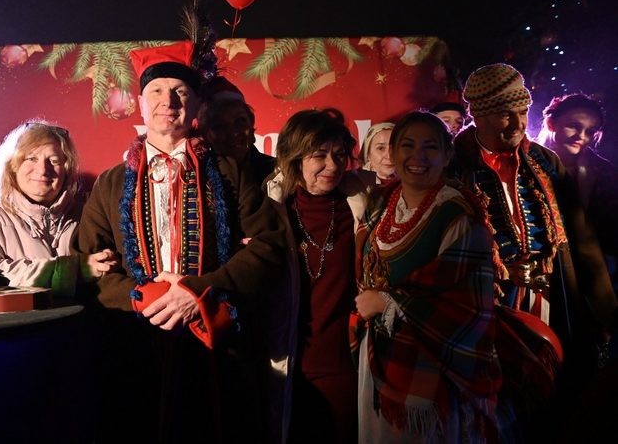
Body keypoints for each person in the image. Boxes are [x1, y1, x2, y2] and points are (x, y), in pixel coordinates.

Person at [71, 41, 286, 443]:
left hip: (216, 344)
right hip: (136, 345)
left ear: (197, 104)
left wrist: (197, 291)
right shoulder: (111, 183)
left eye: (180, 92)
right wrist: (146, 298)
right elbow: (90, 263)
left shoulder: (229, 171)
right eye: (156, 91)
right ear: (140, 104)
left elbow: (269, 246)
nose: (167, 101)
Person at [450, 64, 615, 402]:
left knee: (553, 393)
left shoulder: (544, 161)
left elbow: (582, 240)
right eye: (504, 114)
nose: (518, 124)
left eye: (523, 112)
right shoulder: (453, 164)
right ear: (478, 115)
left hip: (551, 300)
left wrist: (606, 312)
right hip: (483, 307)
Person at [354, 111, 501, 442]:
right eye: (407, 146)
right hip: (380, 352)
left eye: (430, 147)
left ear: (447, 156)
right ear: (393, 153)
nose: (417, 157)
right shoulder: (380, 202)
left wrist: (387, 302)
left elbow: (464, 304)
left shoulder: (457, 214)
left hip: (433, 362)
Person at [264, 108, 371, 444]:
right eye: (319, 155)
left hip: (344, 364)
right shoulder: (271, 211)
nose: (333, 166)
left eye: (339, 155)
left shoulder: (362, 207)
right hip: (286, 364)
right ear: (295, 158)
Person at [0, 120, 116, 297]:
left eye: (54, 161)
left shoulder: (87, 216)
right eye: (31, 158)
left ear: (66, 170)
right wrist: (73, 270)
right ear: (12, 166)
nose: (43, 170)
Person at [536, 93, 618, 294]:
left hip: (588, 272)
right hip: (536, 264)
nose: (581, 136)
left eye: (590, 131)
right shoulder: (525, 161)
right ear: (551, 124)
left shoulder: (603, 173)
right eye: (573, 126)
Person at [197, 75, 275, 185]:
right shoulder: (196, 175)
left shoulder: (280, 171)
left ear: (251, 124)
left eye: (240, 121)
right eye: (220, 126)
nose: (233, 132)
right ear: (206, 134)